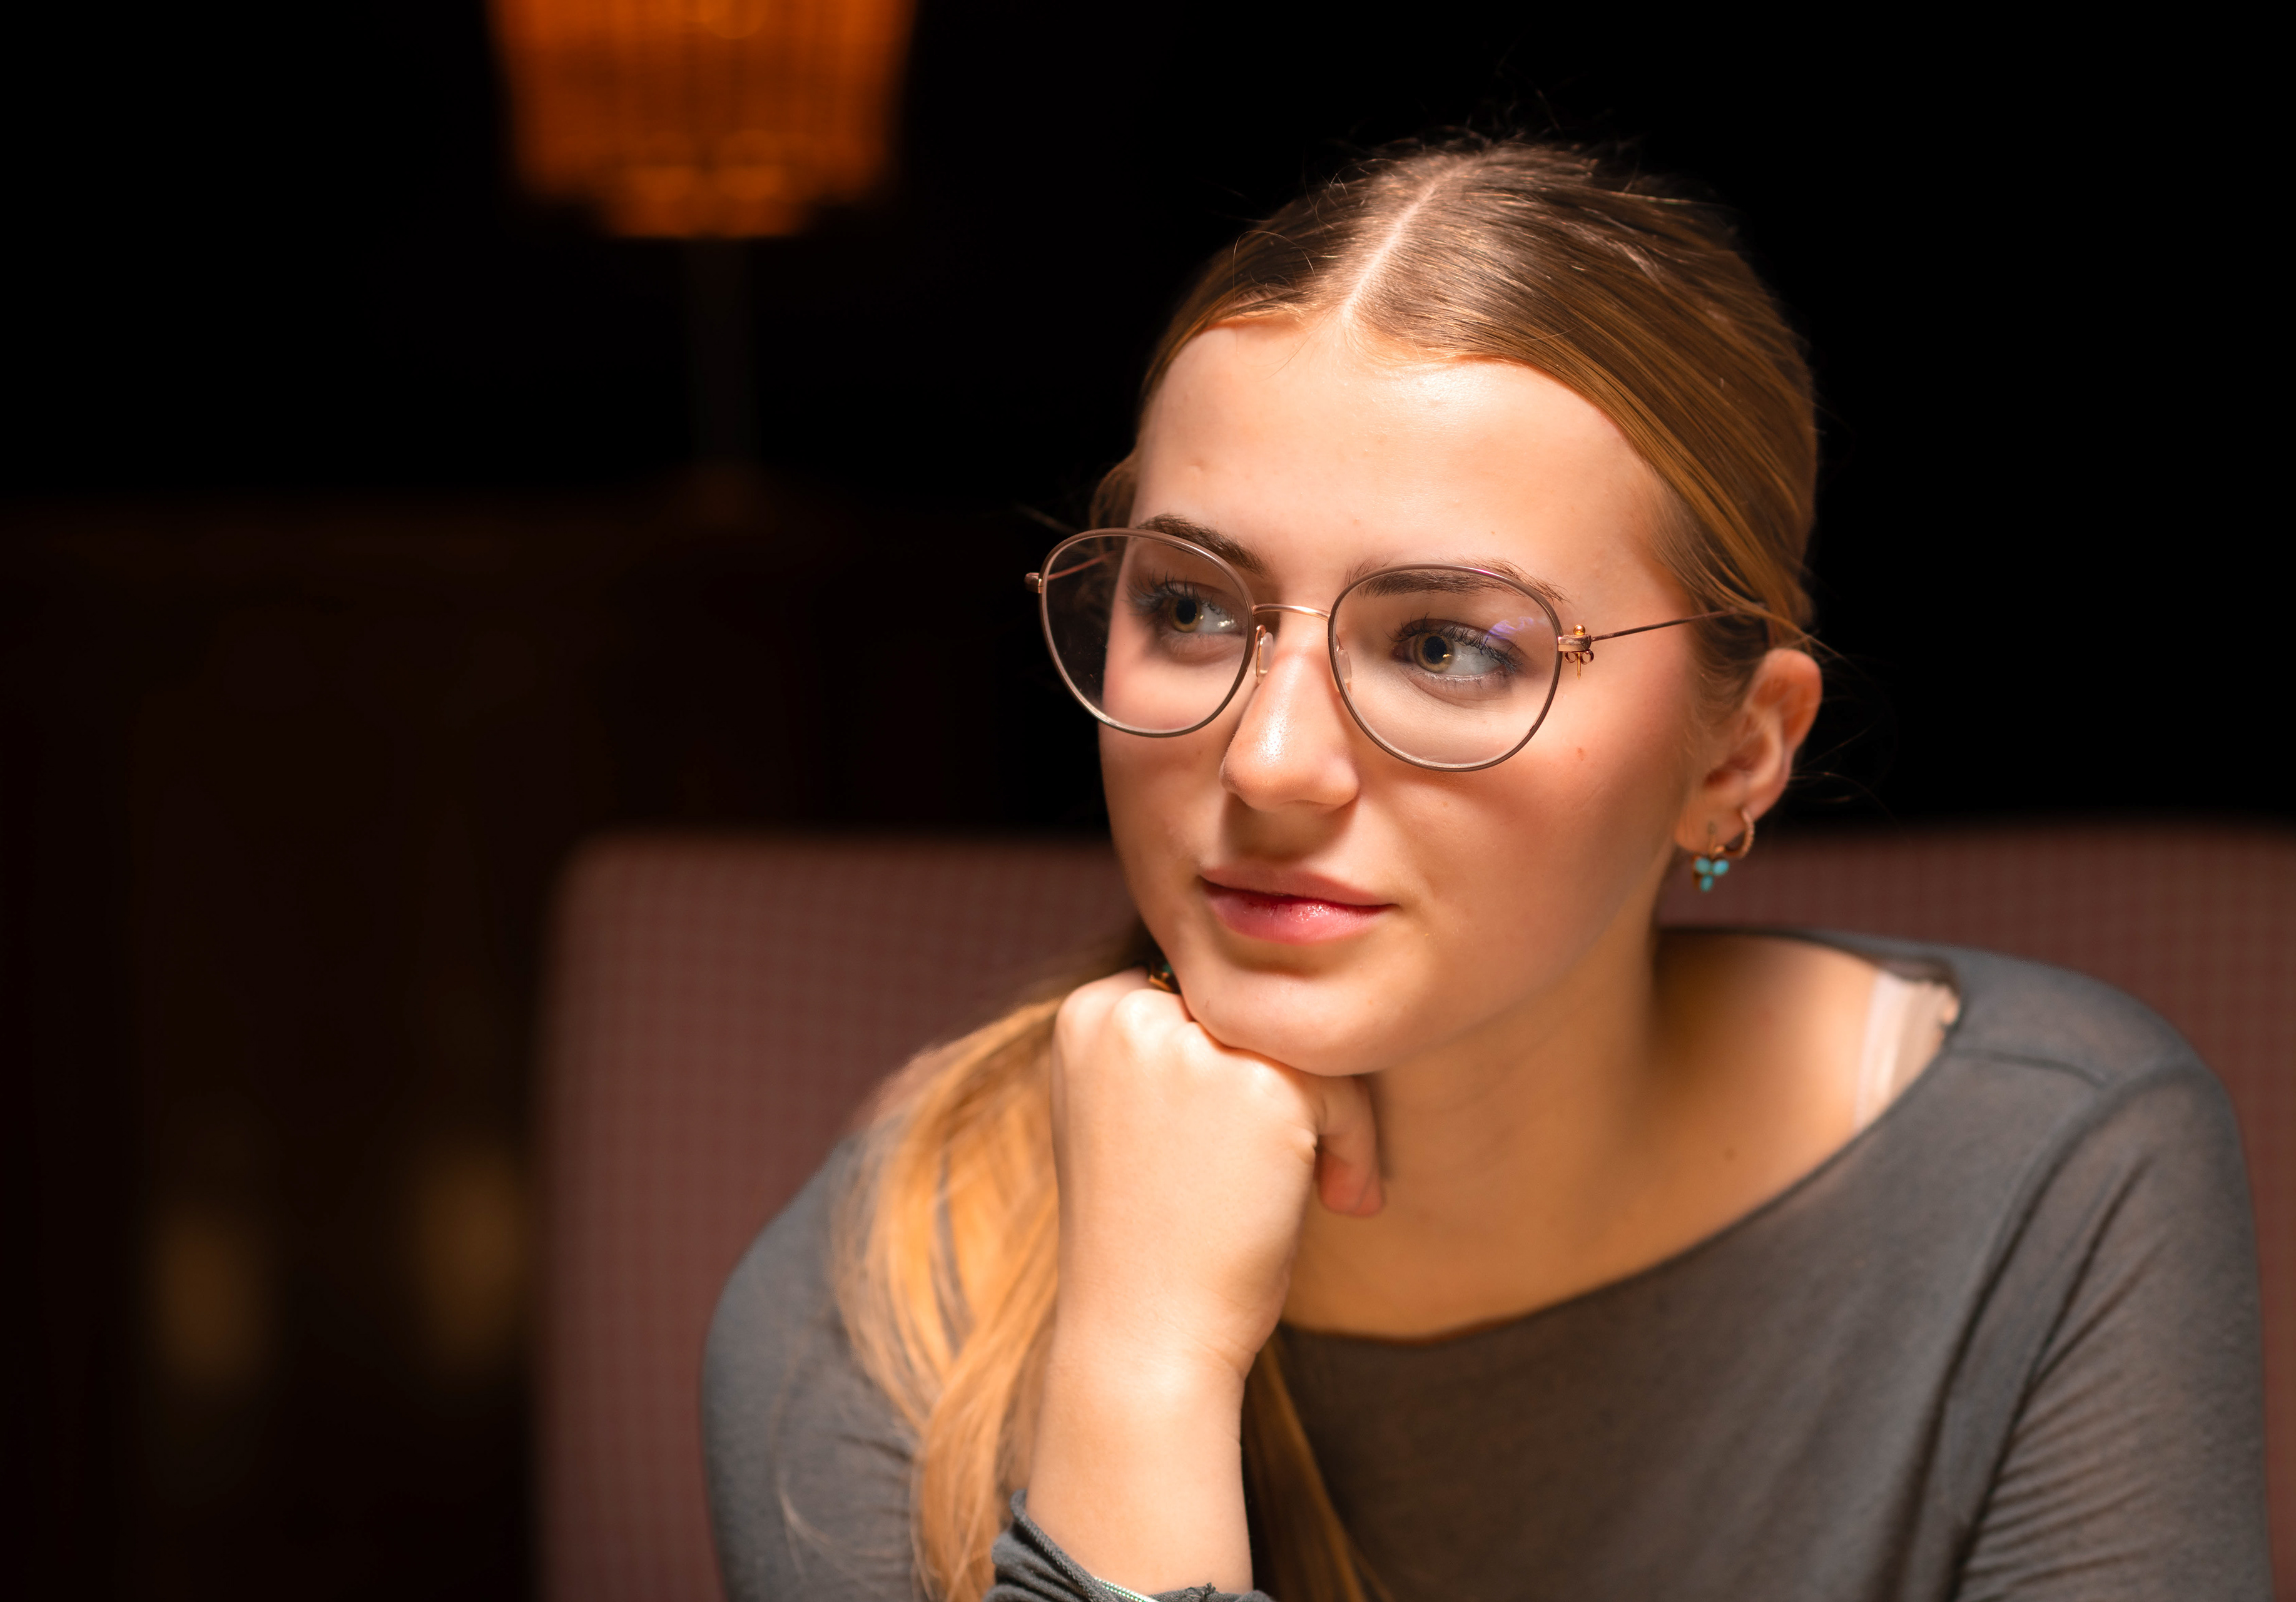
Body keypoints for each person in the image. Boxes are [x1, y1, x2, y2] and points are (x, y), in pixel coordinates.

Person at [701, 136, 2270, 1601]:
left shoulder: (2051, 1172)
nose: (1268, 762)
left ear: (1735, 759)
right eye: (1192, 609)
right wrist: (1146, 1364)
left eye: (1449, 644)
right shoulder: (891, 1292)